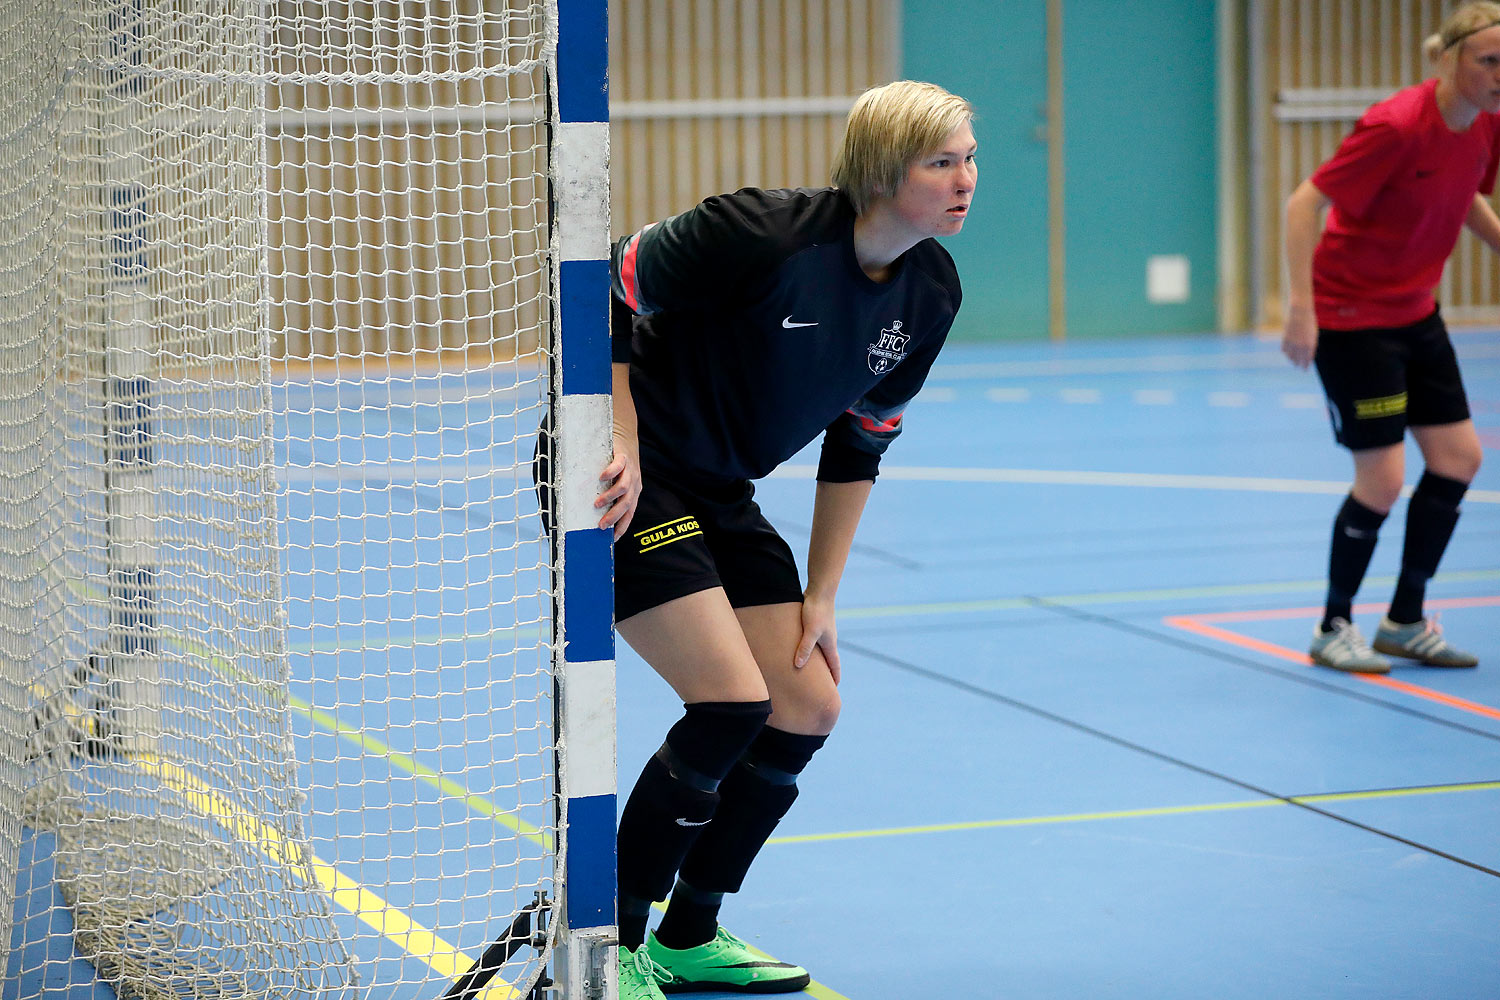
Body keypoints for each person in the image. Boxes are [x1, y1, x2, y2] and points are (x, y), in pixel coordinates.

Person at [594, 80, 975, 998]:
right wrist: (620, 433)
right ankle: (612, 948)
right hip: (621, 476)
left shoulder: (931, 292)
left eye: (970, 158)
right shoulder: (761, 232)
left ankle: (691, 935)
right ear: (886, 172)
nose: (966, 179)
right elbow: (601, 281)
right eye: (943, 161)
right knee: (728, 701)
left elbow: (861, 442)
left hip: (719, 489)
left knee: (805, 705)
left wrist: (823, 594)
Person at [1282, 2, 1498, 674]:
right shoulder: (1397, 125)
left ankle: (1404, 620)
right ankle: (1333, 625)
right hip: (1354, 319)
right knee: (1382, 479)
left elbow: (1460, 193)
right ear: (1449, 59)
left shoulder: (1486, 125)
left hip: (1416, 312)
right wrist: (1301, 309)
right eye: (1488, 60)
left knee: (1459, 458)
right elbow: (1304, 202)